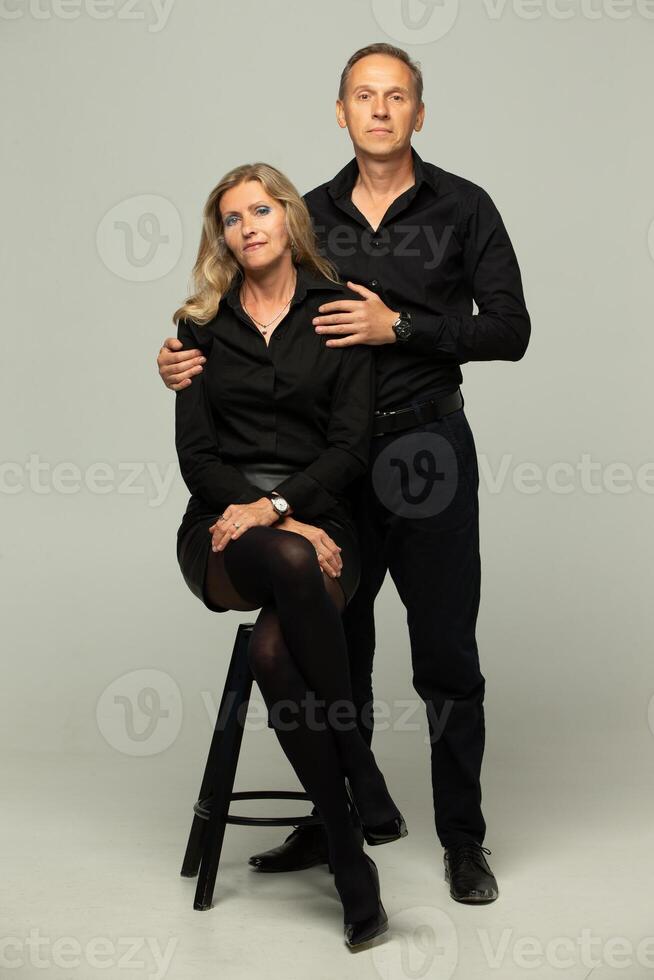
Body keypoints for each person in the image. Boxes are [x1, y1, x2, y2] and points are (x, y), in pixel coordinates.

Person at [160, 43, 531, 906]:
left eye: (396, 96)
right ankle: (338, 822)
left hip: (426, 452)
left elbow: (510, 330)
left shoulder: (464, 207)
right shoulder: (305, 213)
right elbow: (243, 315)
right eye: (363, 95)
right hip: (327, 469)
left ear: (418, 114)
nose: (379, 109)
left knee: (444, 652)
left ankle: (463, 839)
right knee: (336, 645)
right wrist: (183, 360)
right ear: (340, 111)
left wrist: (400, 328)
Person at [172, 159, 408, 949]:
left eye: (260, 211)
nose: (247, 228)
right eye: (232, 219)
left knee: (278, 654)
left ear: (288, 220)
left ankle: (345, 849)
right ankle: (361, 770)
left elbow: (351, 446)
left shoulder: (336, 312)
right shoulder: (199, 327)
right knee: (288, 557)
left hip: (320, 520)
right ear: (224, 237)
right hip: (223, 530)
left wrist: (288, 510)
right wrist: (268, 518)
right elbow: (198, 459)